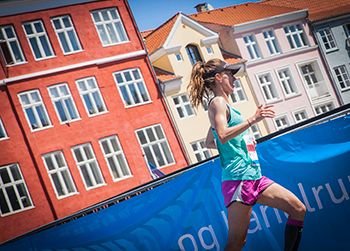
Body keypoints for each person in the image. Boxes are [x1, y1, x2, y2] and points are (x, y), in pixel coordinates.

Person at [188, 59, 306, 251]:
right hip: (238, 179)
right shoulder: (217, 103)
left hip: (253, 176)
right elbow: (223, 135)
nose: (234, 79)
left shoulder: (226, 105)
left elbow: (210, 142)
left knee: (298, 209)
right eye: (230, 74)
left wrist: (242, 143)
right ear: (218, 78)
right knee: (236, 243)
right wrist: (252, 120)